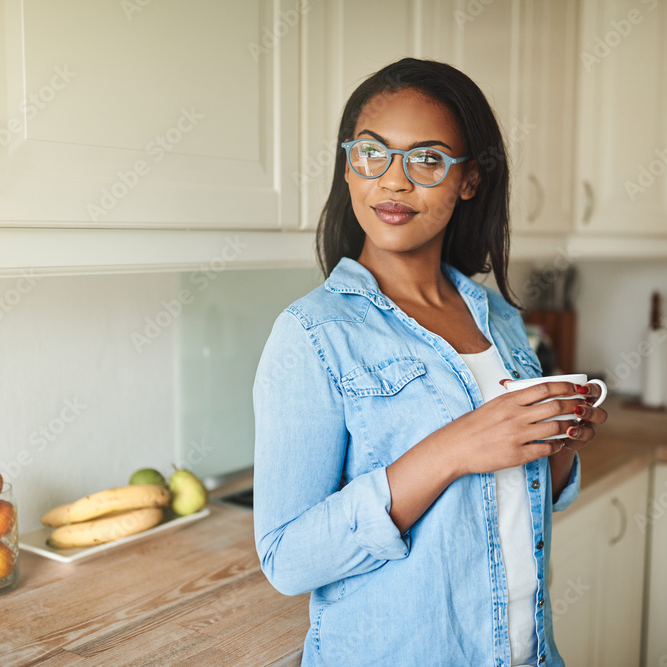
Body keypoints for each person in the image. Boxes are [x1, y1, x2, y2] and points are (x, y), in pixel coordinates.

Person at [253, 57, 607, 667]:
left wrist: (560, 439)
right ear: (347, 167)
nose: (393, 181)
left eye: (427, 158)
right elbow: (289, 560)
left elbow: (511, 503)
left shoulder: (498, 317)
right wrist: (452, 450)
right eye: (372, 153)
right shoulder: (313, 334)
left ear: (468, 179)